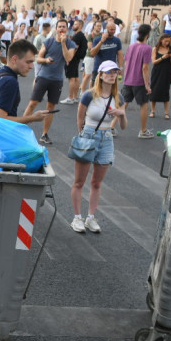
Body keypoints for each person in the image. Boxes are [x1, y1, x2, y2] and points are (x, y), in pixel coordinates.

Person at [70, 60, 126, 234]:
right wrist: (83, 136)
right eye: (108, 72)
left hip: (107, 138)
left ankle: (91, 218)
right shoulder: (89, 95)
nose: (112, 75)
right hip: (89, 134)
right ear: (100, 75)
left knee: (97, 182)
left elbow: (123, 126)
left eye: (115, 72)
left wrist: (121, 114)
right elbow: (80, 118)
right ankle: (77, 218)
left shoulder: (119, 98)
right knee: (79, 181)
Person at [25, 21, 75, 145]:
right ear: (56, 29)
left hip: (57, 80)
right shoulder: (49, 42)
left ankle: (44, 134)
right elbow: (39, 58)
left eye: (64, 27)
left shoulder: (70, 43)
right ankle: (20, 128)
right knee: (33, 103)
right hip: (43, 76)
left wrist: (63, 43)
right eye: (60, 27)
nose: (61, 28)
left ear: (67, 29)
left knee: (51, 107)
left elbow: (68, 58)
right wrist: (46, 60)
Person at [0, 39, 51, 126]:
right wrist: (33, 118)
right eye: (28, 62)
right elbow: (0, 119)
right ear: (14, 59)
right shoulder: (10, 82)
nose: (31, 66)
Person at [121, 24, 154, 139]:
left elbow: (126, 63)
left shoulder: (131, 46)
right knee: (144, 105)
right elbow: (145, 68)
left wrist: (126, 77)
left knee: (123, 104)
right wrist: (147, 85)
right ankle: (143, 130)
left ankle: (110, 127)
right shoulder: (147, 48)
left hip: (128, 80)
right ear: (148, 34)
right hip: (139, 82)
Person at [149, 33, 171, 120]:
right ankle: (152, 111)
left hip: (166, 72)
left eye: (168, 41)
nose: (167, 43)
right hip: (157, 71)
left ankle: (166, 113)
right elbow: (153, 62)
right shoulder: (155, 49)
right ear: (161, 40)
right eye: (165, 41)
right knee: (154, 90)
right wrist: (163, 57)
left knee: (165, 91)